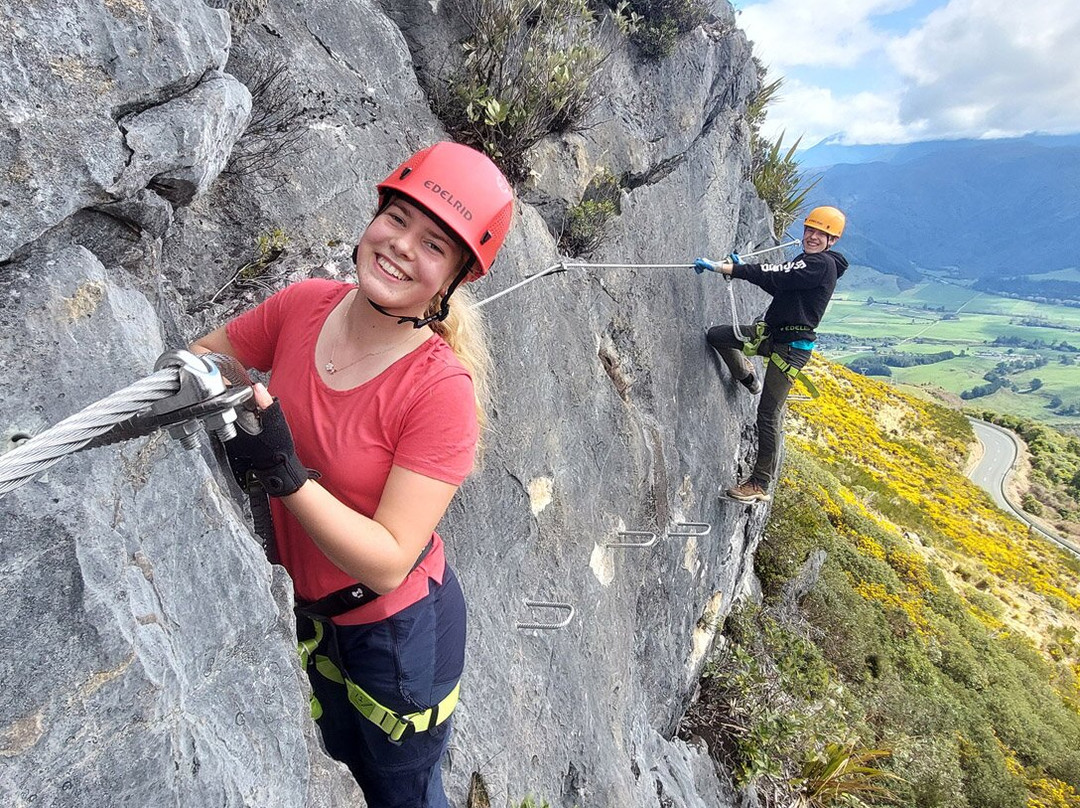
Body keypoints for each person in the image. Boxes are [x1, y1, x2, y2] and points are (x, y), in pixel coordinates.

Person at [189, 141, 514, 807]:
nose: (400, 247)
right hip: (315, 612)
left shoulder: (438, 391)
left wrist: (286, 477)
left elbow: (391, 561)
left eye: (434, 245)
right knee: (339, 753)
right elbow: (205, 359)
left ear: (453, 278)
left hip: (398, 638)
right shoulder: (304, 305)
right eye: (397, 220)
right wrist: (235, 409)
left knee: (402, 792)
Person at [699, 205, 848, 503]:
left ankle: (759, 484)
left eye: (822, 233)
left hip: (791, 349)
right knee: (718, 336)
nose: (813, 237)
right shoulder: (808, 262)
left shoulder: (822, 265)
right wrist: (740, 270)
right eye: (810, 230)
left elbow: (778, 276)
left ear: (832, 240)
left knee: (768, 414)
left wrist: (731, 269)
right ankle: (748, 376)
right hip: (773, 336)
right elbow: (777, 282)